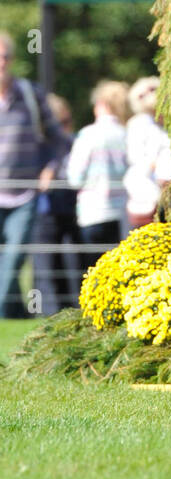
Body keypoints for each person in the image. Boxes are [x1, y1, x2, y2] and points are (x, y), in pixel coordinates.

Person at [0, 32, 72, 318]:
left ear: (12, 59)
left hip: (24, 193)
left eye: (5, 57)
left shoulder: (30, 94)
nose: (1, 63)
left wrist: (49, 169)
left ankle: (3, 313)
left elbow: (60, 139)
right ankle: (12, 312)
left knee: (15, 255)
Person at [67, 81, 130, 275]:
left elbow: (74, 177)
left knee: (94, 275)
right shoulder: (126, 134)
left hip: (93, 212)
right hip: (122, 213)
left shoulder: (88, 135)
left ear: (102, 104)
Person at [31, 93, 80, 315]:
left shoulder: (69, 142)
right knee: (46, 262)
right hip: (46, 206)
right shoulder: (40, 146)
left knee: (67, 260)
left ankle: (67, 309)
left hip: (67, 205)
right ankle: (50, 311)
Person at [124, 77, 171, 228]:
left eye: (152, 90)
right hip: (149, 195)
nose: (149, 95)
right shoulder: (138, 124)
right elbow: (137, 158)